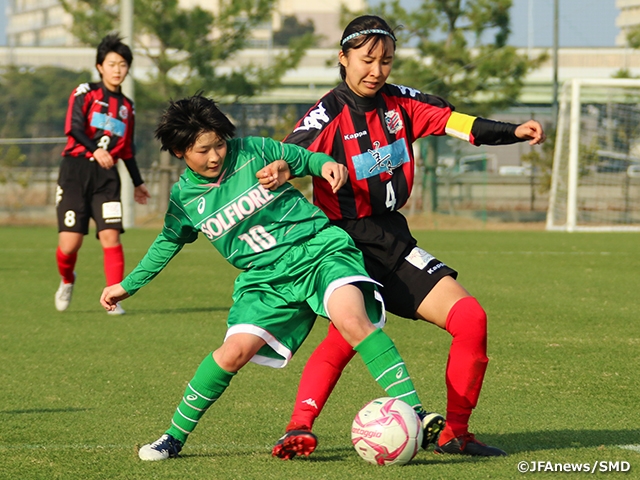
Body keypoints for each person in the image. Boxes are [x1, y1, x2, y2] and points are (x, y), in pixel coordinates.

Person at [100, 94, 442, 461]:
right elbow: (167, 242)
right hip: (265, 280)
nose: (215, 155)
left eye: (219, 143)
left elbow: (305, 158)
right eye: (204, 150)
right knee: (231, 354)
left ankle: (417, 415)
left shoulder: (254, 151)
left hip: (318, 252)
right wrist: (126, 285)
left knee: (352, 320)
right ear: (179, 151)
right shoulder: (185, 199)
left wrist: (327, 166)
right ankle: (173, 437)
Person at [268, 14, 546, 459]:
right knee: (349, 334)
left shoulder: (401, 104)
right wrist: (284, 168)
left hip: (394, 240)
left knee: (471, 318)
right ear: (343, 58)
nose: (376, 70)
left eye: (386, 60)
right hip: (343, 243)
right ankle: (298, 428)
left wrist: (512, 131)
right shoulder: (327, 113)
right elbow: (289, 153)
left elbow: (460, 124)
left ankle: (456, 432)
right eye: (367, 59)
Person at [54, 33, 151, 314]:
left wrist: (138, 183)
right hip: (75, 171)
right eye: (111, 64)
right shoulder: (85, 92)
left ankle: (113, 299)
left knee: (111, 235)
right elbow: (73, 127)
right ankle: (67, 279)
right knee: (70, 245)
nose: (117, 69)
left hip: (107, 177)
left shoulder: (128, 107)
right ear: (100, 66)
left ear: (128, 68)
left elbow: (128, 150)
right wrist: (94, 149)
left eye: (122, 64)